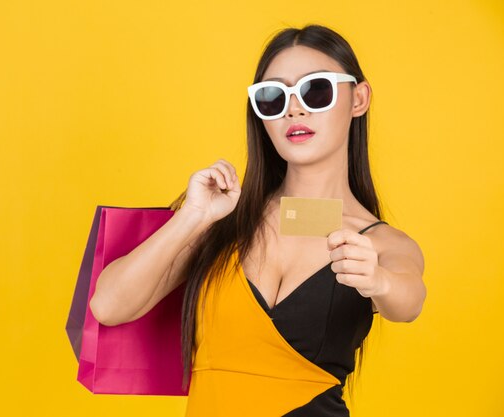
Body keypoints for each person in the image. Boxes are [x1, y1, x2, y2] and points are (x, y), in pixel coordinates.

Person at [89, 24, 426, 416]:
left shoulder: (379, 243)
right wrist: (192, 219)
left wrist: (378, 280)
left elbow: (409, 301)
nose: (295, 109)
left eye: (316, 90)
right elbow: (108, 306)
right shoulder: (224, 217)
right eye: (273, 97)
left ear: (358, 98)